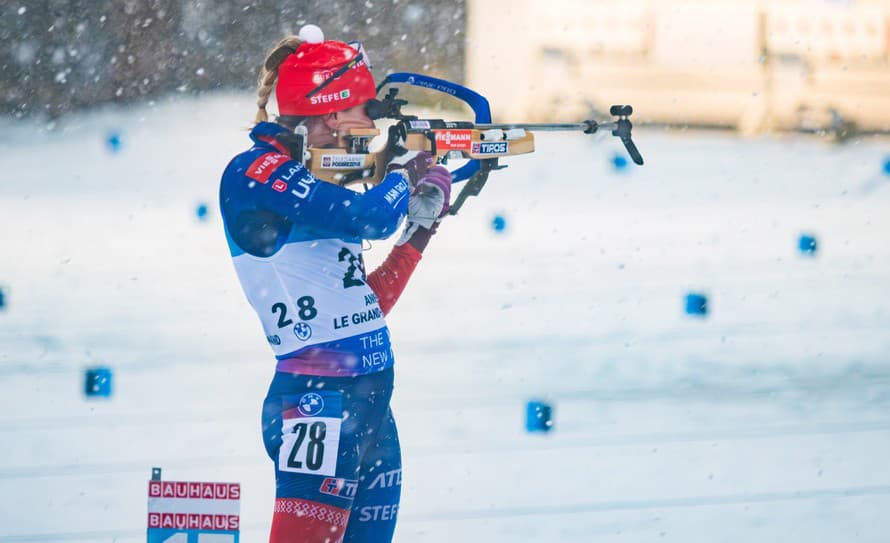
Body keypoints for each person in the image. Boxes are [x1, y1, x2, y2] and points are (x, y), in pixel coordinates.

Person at [218, 25, 451, 543]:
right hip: (316, 402)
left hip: (370, 403)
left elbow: (362, 307)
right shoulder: (254, 170)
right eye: (364, 109)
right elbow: (371, 217)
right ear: (330, 110)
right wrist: (403, 174)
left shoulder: (317, 183)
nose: (369, 125)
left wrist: (420, 231)